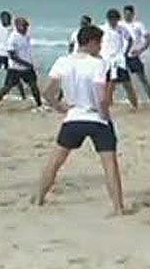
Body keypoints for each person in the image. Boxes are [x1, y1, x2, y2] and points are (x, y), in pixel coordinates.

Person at [36, 25, 125, 215]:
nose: (100, 47)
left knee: (55, 162)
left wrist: (59, 107)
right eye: (99, 43)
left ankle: (39, 198)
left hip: (74, 116)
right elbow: (102, 97)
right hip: (96, 117)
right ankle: (118, 207)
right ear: (91, 43)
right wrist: (105, 114)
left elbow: (47, 92)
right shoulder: (98, 64)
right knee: (110, 164)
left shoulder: (63, 61)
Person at [0, 17, 42, 113]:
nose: (25, 28)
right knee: (7, 87)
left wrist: (30, 62)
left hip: (27, 68)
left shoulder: (27, 36)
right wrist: (27, 64)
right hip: (15, 68)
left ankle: (39, 105)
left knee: (34, 86)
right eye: (23, 26)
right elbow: (12, 56)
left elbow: (26, 51)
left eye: (26, 26)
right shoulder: (12, 38)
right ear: (17, 26)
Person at [100, 9, 138, 110]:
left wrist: (125, 52)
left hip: (119, 59)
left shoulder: (121, 29)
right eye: (111, 19)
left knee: (127, 83)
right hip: (106, 59)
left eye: (115, 20)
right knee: (107, 83)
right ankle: (107, 104)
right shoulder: (102, 29)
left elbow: (130, 39)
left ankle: (135, 105)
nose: (113, 22)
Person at [0, 11, 26, 99]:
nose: (6, 20)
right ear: (1, 19)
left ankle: (23, 95)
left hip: (9, 55)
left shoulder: (14, 29)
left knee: (15, 76)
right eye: (4, 19)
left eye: (8, 19)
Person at [122, 5, 150, 109]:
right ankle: (133, 103)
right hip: (121, 56)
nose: (127, 16)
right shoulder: (120, 25)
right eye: (125, 14)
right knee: (124, 81)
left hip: (133, 55)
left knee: (143, 79)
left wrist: (140, 50)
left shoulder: (138, 25)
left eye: (129, 14)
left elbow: (149, 39)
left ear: (133, 14)